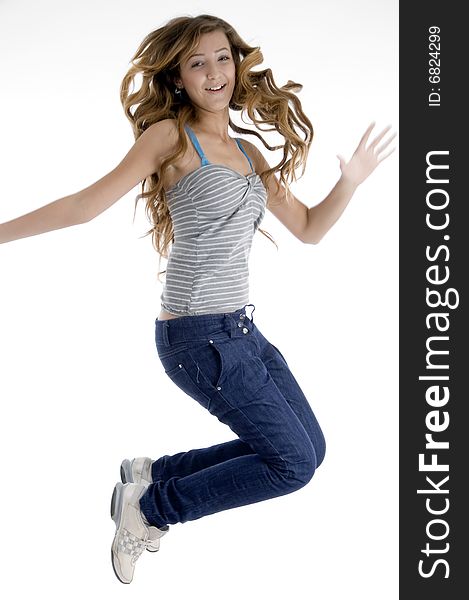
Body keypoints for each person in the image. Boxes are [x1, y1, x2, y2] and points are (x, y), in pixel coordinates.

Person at [0, 14, 396, 584]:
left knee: (310, 449)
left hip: (241, 331)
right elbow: (85, 206)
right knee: (290, 466)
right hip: (196, 337)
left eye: (222, 57)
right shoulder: (169, 138)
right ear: (179, 77)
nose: (215, 72)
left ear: (237, 64)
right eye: (197, 62)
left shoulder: (249, 153)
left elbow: (309, 228)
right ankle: (150, 509)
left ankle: (151, 473)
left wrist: (351, 182)